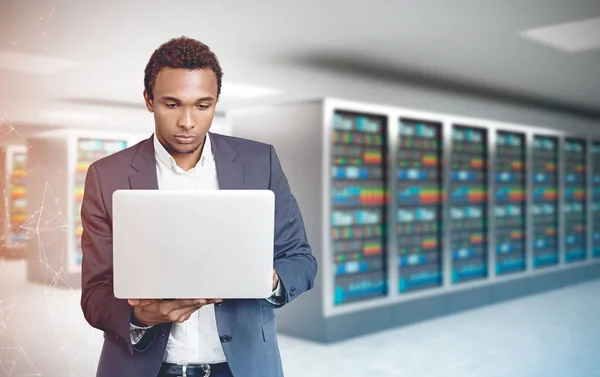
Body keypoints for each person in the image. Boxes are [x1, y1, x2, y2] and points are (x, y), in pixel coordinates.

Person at [80, 36, 317, 377]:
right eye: (172, 104)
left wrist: (268, 280)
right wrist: (141, 316)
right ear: (149, 100)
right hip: (145, 367)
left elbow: (301, 260)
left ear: (216, 102)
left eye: (202, 105)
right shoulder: (106, 175)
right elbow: (95, 293)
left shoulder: (259, 162)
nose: (188, 122)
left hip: (242, 367)